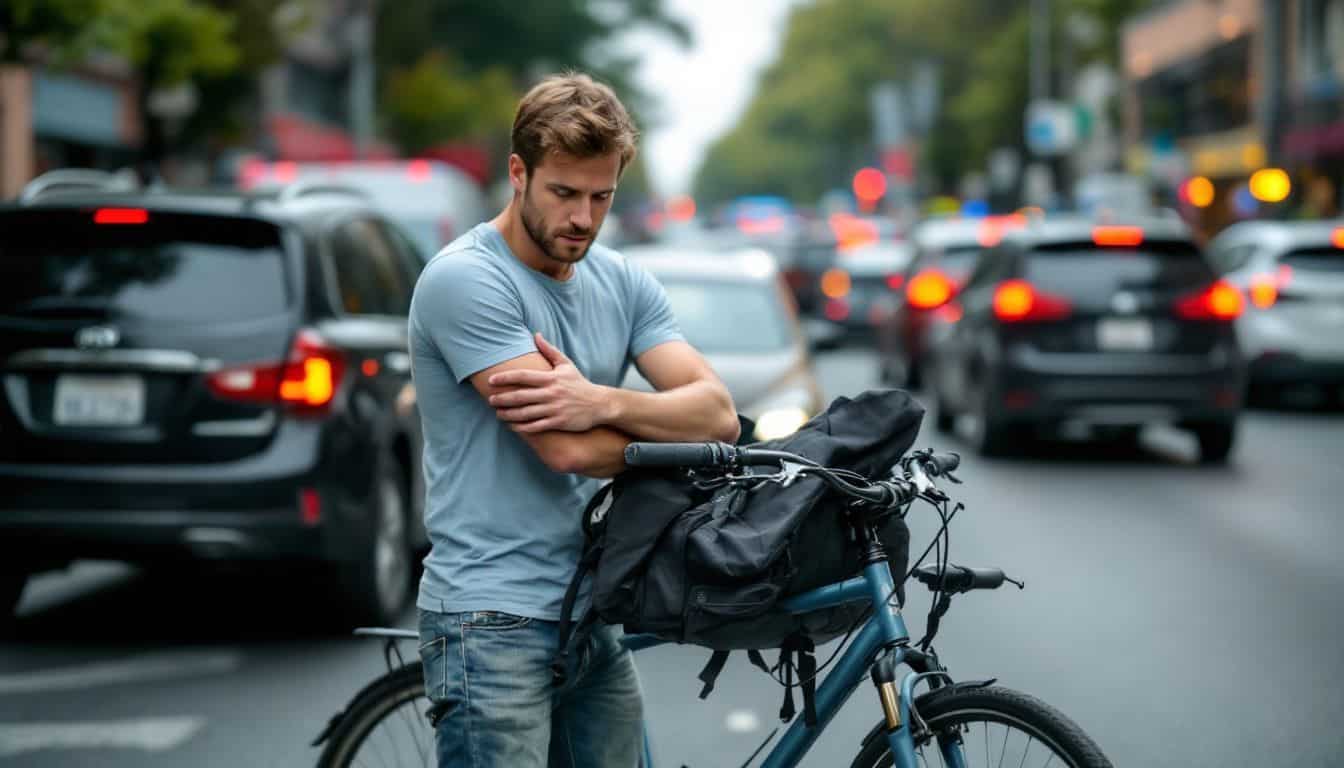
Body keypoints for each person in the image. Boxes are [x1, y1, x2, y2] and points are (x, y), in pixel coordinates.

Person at [409, 72, 740, 768]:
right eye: (564, 193)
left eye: (601, 196)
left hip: (590, 613)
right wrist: (657, 431)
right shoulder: (467, 279)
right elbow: (566, 449)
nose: (583, 218)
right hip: (490, 617)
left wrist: (607, 400)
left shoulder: (622, 280)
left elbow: (718, 414)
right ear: (519, 173)